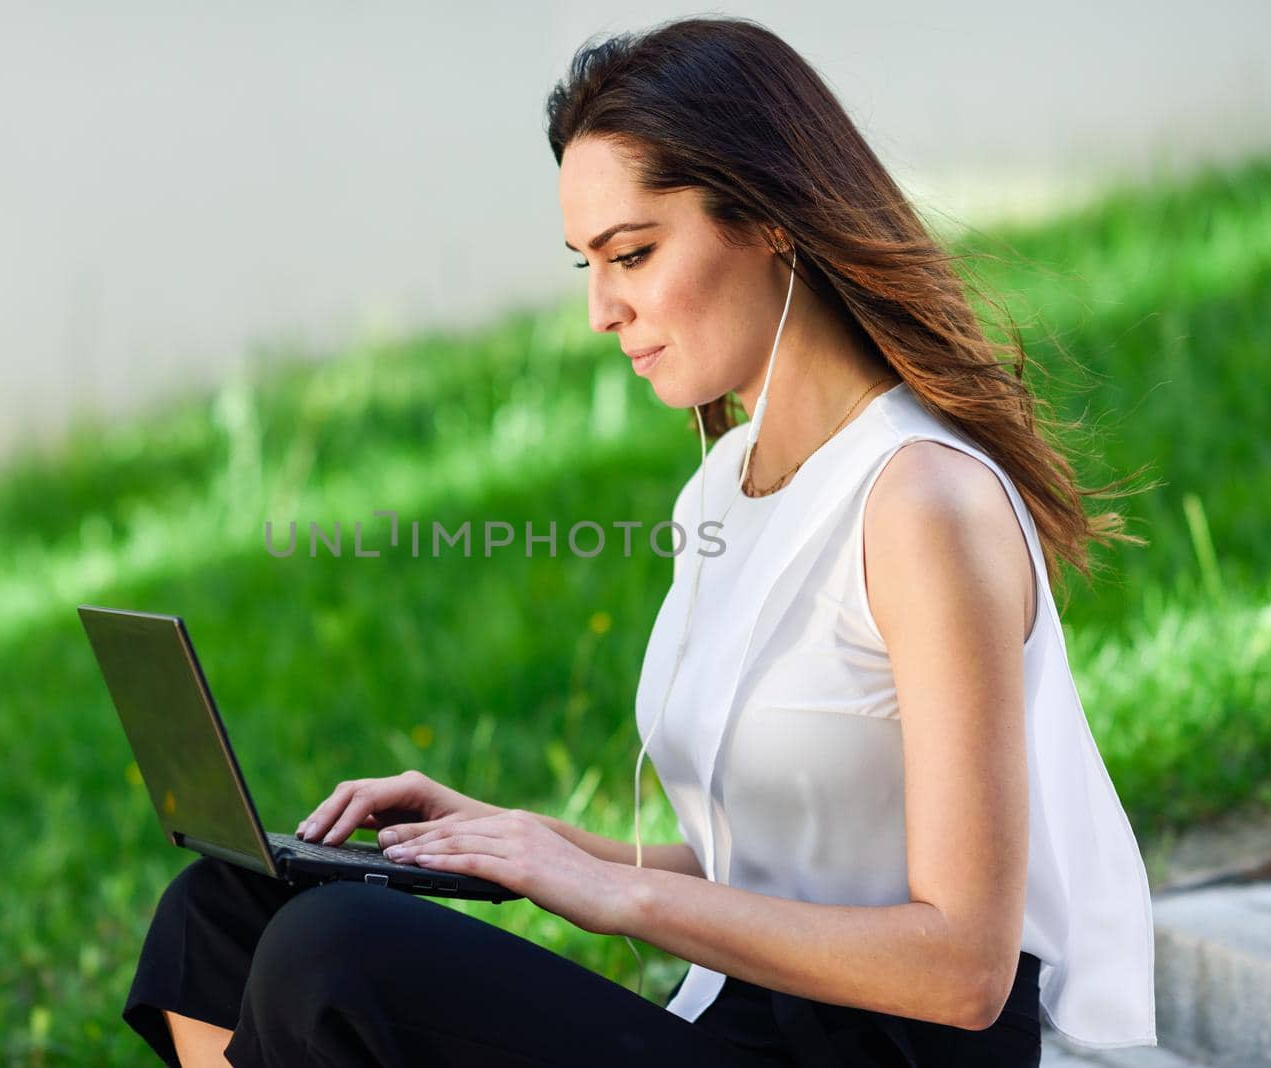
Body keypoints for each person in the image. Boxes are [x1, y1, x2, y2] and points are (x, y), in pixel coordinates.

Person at [123, 15, 1159, 1067]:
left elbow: (963, 971)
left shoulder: (923, 505)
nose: (598, 310)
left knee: (332, 953)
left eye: (630, 254)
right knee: (223, 909)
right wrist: (519, 843)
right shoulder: (729, 488)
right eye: (585, 262)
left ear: (769, 219)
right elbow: (770, 869)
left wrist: (611, 893)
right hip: (732, 1018)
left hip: (878, 1052)